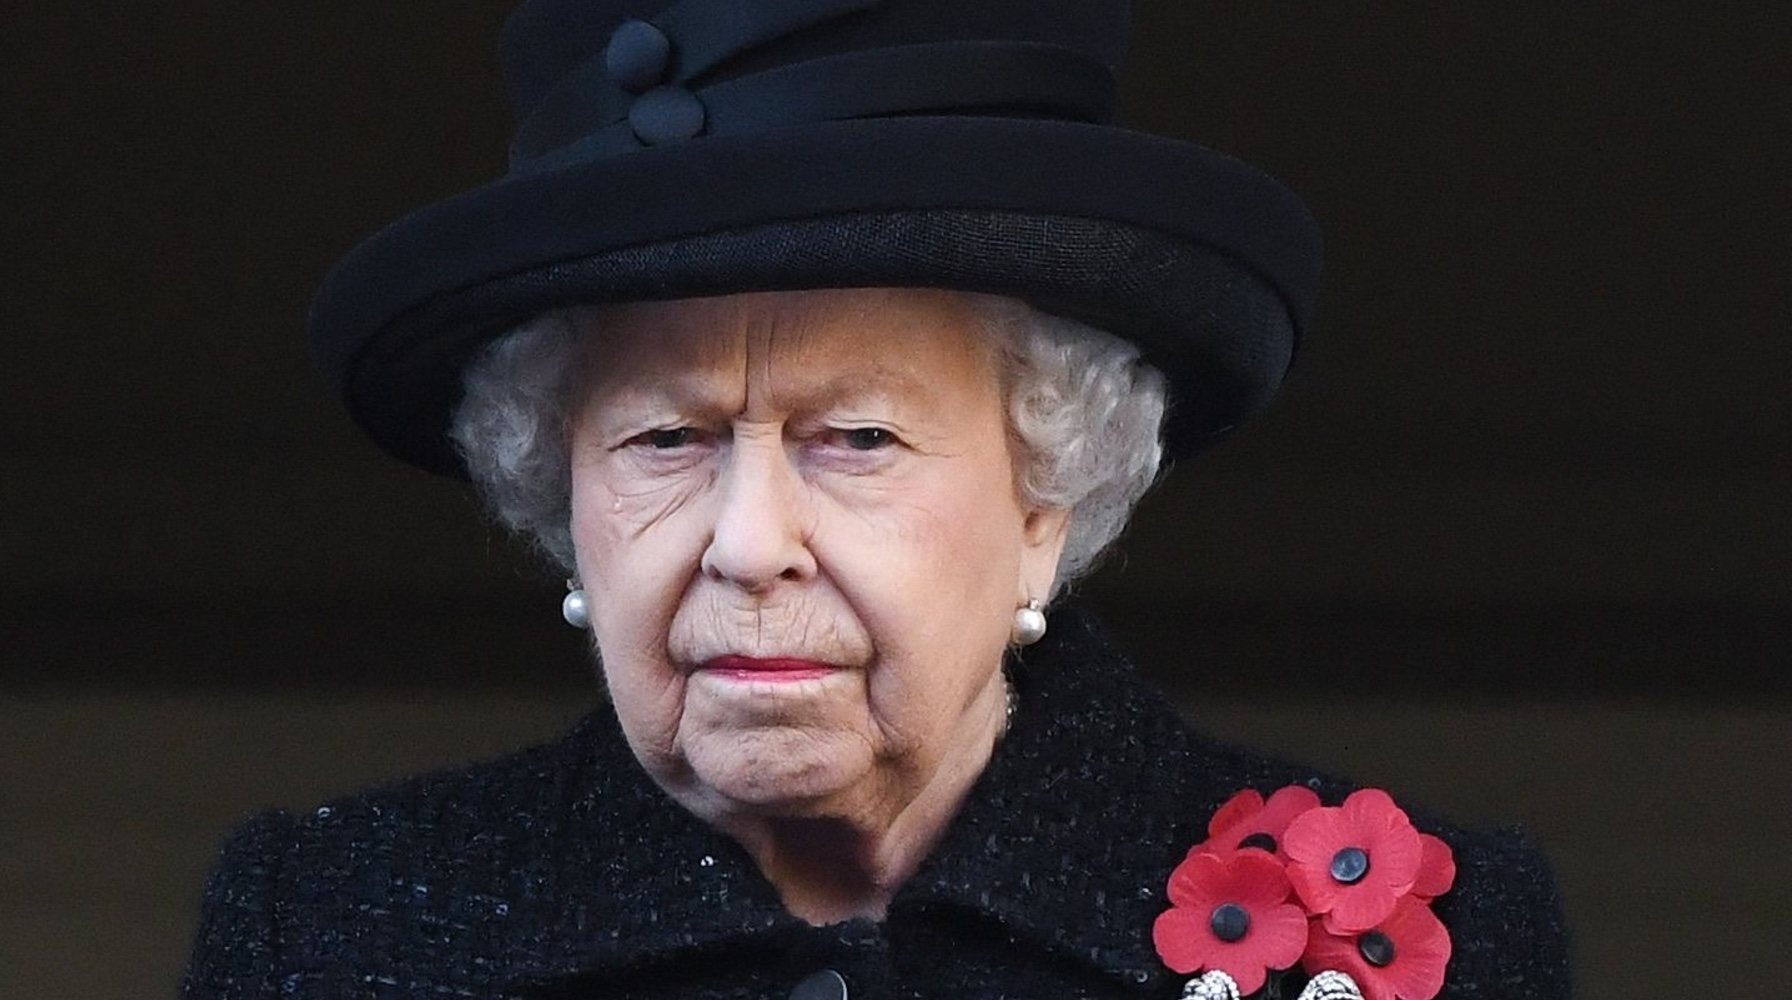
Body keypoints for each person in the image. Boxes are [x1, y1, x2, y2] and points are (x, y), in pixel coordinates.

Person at [182, 1, 1572, 997]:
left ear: (1048, 495)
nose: (747, 544)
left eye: (854, 437)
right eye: (665, 441)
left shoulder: (1434, 932)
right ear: (560, 498)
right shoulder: (330, 931)